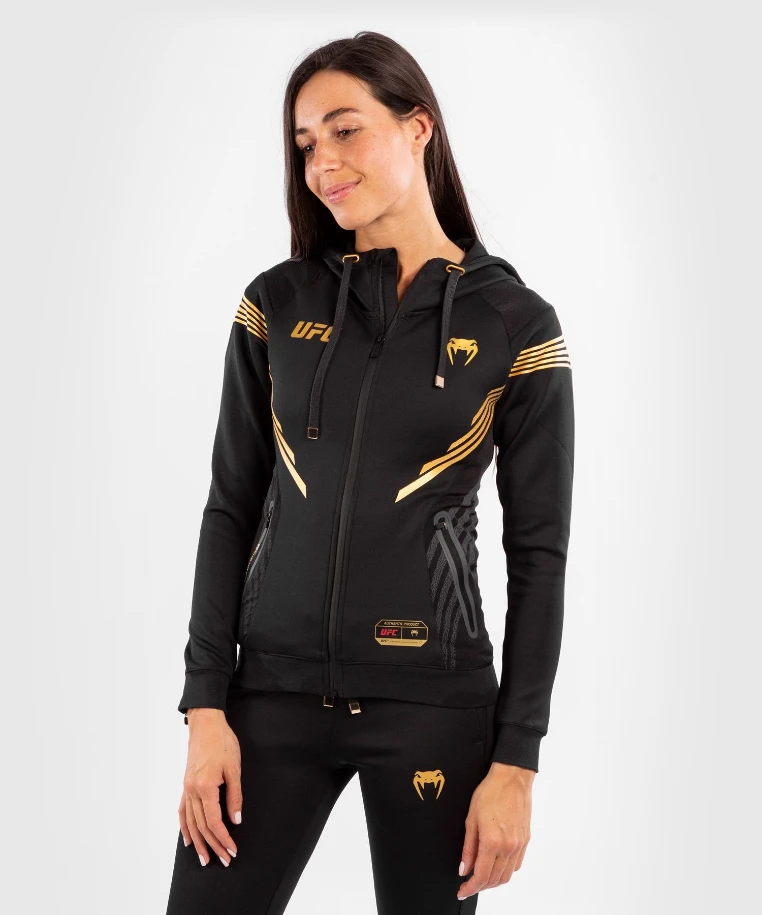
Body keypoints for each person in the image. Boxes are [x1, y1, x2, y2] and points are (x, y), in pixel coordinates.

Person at [165, 30, 574, 915]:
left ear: (418, 127)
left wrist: (517, 761)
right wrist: (206, 708)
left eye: (346, 130)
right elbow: (230, 506)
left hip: (436, 706)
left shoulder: (515, 324)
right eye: (306, 143)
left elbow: (539, 555)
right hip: (268, 698)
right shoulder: (277, 304)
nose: (322, 162)